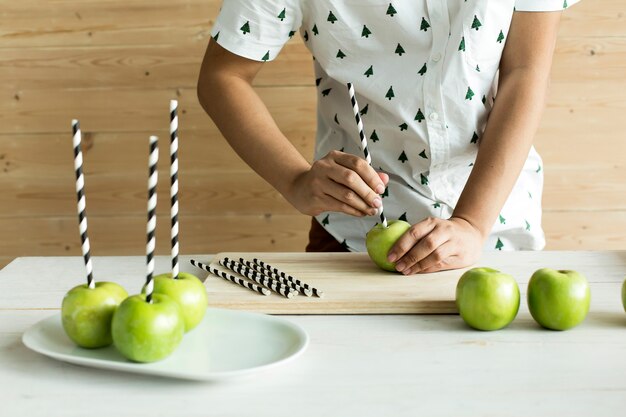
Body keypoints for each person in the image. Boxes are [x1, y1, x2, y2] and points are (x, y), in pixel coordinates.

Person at [197, 1, 579, 274]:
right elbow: (222, 77)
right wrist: (294, 179)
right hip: (354, 239)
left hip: (500, 232)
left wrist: (472, 223)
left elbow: (526, 73)